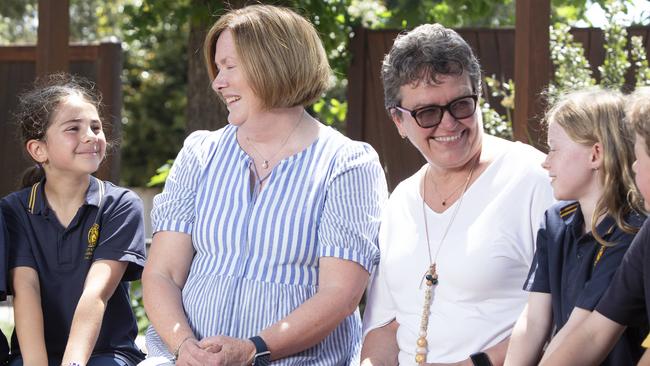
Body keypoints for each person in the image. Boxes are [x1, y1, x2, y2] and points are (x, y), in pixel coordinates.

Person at [141, 4, 387, 365]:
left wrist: (253, 349)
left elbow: (340, 294)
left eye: (229, 66)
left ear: (272, 63)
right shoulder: (200, 152)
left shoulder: (347, 163)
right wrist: (184, 348)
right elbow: (162, 273)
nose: (217, 82)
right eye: (217, 68)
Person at [360, 23, 554, 366]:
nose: (448, 124)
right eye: (427, 113)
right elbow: (384, 326)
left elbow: (562, 316)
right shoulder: (400, 202)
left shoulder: (533, 180)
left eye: (461, 105)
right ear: (398, 121)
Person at [0, 73, 147, 366]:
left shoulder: (120, 205)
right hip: (35, 355)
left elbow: (96, 293)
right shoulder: (14, 210)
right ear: (38, 149)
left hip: (106, 353)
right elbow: (25, 292)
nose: (91, 136)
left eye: (96, 127)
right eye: (73, 128)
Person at [503, 88, 646, 366]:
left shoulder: (631, 230)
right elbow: (533, 321)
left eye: (554, 148)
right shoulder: (555, 221)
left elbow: (579, 331)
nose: (546, 161)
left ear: (595, 155)